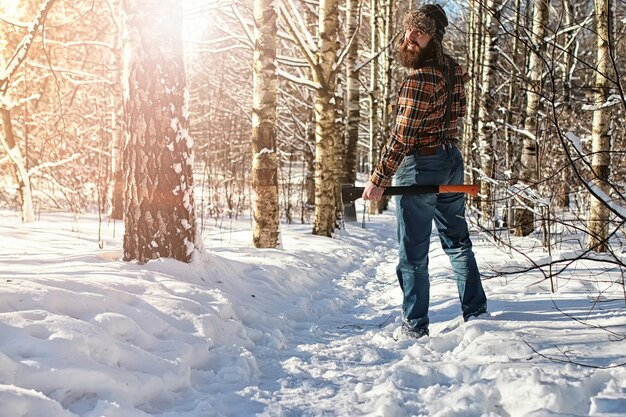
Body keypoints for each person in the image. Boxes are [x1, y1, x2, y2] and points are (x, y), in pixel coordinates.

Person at [362, 4, 487, 339]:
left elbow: (402, 136)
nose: (410, 38)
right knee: (457, 242)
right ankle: (476, 313)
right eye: (408, 31)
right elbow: (457, 110)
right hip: (450, 162)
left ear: (435, 37)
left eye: (419, 32)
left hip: (420, 167)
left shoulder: (419, 79)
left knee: (413, 252)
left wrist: (378, 180)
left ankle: (414, 326)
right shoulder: (452, 70)